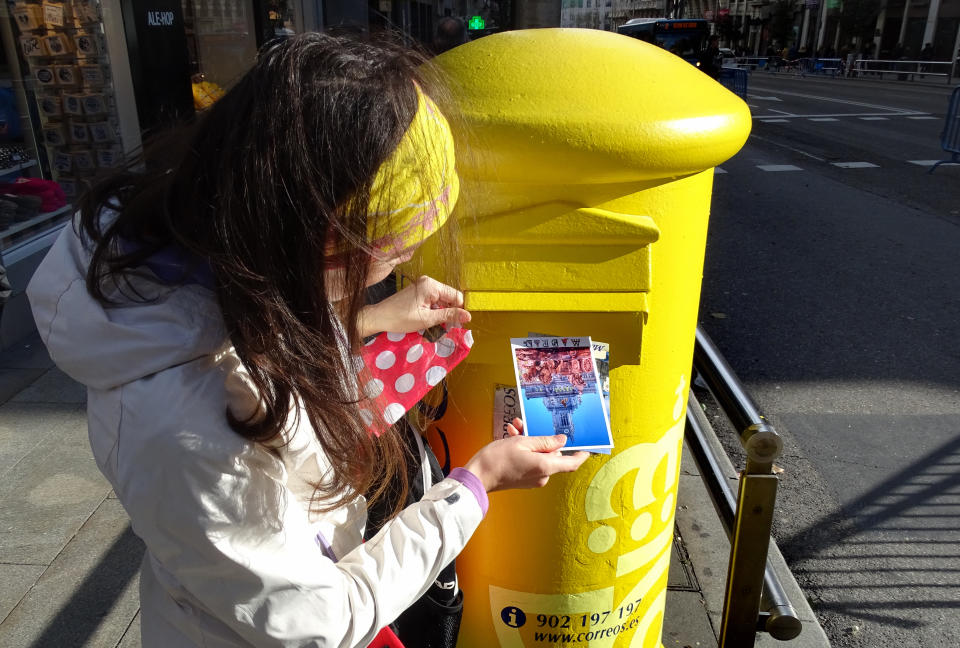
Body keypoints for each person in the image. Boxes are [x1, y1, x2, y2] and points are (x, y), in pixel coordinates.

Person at [26, 33, 589, 648]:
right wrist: (477, 485)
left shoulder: (218, 255)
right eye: (394, 250)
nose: (400, 265)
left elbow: (251, 352)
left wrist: (366, 322)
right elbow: (317, 621)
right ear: (316, 243)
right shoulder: (181, 431)